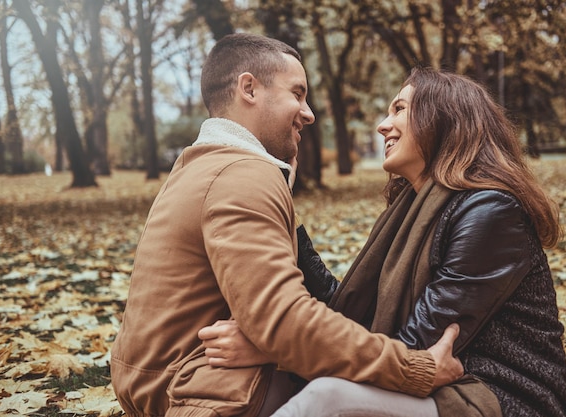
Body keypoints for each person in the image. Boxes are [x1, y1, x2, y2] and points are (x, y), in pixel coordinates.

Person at [109, 33, 463, 417]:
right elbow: (285, 320)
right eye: (297, 93)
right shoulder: (241, 176)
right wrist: (415, 369)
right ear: (249, 88)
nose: (308, 112)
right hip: (205, 396)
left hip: (162, 386)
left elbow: (286, 315)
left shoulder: (200, 167)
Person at [198, 67, 566, 417]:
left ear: (444, 118)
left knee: (327, 399)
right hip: (432, 383)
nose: (384, 125)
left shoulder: (490, 212)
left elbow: (412, 349)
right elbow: (346, 310)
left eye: (399, 109)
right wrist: (286, 210)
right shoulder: (409, 208)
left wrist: (276, 351)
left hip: (499, 395)